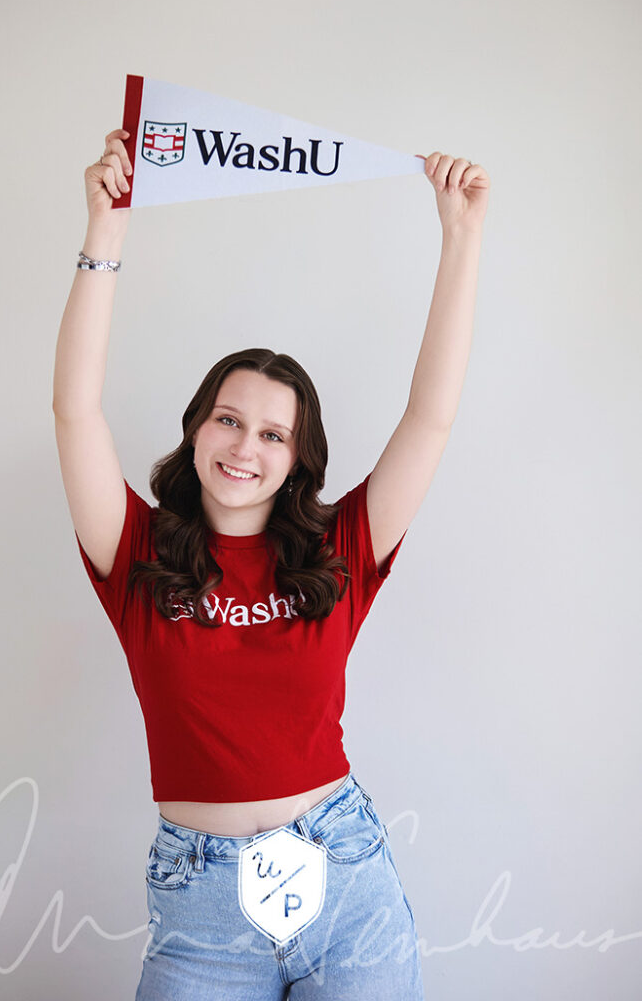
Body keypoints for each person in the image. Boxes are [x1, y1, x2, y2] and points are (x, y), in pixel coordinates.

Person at [53, 127, 489, 1000]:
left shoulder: (340, 553)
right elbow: (75, 412)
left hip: (347, 887)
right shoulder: (135, 552)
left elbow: (430, 419)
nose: (244, 445)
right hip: (201, 919)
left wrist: (460, 238)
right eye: (227, 418)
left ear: (298, 456)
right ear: (194, 427)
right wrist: (104, 234)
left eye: (272, 432)